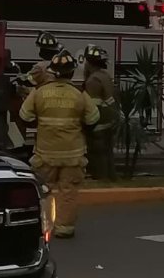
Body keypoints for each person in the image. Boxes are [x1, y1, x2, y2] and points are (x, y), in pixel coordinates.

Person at [18, 51, 100, 238]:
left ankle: (40, 226)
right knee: (68, 192)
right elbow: (93, 119)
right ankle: (64, 228)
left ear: (53, 72)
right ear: (71, 73)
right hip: (72, 156)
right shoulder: (79, 94)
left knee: (42, 190)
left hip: (45, 154)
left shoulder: (39, 92)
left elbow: (25, 116)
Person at [81, 46, 119, 179]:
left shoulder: (93, 81)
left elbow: (92, 107)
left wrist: (86, 125)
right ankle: (111, 179)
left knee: (97, 155)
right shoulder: (105, 76)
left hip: (98, 125)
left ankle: (102, 178)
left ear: (90, 63)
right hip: (109, 123)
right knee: (108, 154)